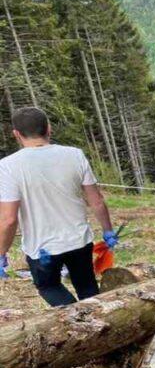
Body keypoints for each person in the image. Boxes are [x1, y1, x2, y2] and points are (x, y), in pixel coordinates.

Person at [0, 107, 119, 306]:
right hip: (79, 240)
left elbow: (9, 219)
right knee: (87, 286)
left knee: (49, 287)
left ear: (16, 134)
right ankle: (96, 319)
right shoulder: (75, 155)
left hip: (42, 249)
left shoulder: (8, 166)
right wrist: (108, 231)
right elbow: (96, 200)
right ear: (49, 129)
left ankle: (79, 320)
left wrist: (1, 252)